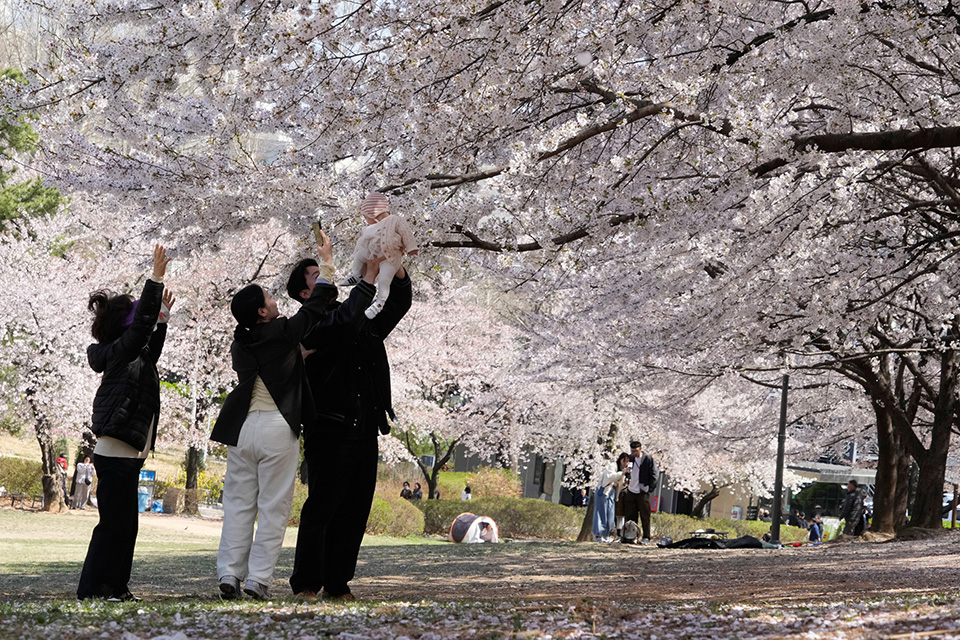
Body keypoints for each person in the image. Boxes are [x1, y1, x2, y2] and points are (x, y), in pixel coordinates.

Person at [211, 231, 376, 602]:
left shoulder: (242, 343)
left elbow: (275, 365)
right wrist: (328, 263)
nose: (274, 300)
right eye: (269, 298)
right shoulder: (284, 332)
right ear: (263, 312)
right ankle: (257, 580)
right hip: (275, 428)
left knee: (238, 505)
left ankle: (228, 573)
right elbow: (316, 306)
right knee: (272, 507)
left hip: (241, 430)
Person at [287, 240, 412, 602]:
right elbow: (340, 326)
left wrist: (395, 264)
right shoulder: (307, 325)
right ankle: (307, 582)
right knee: (323, 507)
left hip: (364, 425)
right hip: (329, 426)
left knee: (356, 510)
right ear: (304, 292)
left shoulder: (355, 312)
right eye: (317, 275)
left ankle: (337, 582)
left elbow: (394, 306)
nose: (327, 276)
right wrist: (368, 282)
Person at [77, 244, 174, 601]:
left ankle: (115, 586)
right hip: (116, 450)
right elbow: (139, 333)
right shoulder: (119, 350)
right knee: (113, 527)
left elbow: (151, 350)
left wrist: (160, 320)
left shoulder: (132, 354)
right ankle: (93, 589)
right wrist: (155, 280)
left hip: (126, 453)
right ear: (125, 325)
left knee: (125, 527)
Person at [338, 191, 418, 319]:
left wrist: (411, 248)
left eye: (366, 217)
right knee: (359, 255)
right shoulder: (372, 227)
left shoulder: (394, 221)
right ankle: (355, 274)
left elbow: (406, 233)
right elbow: (363, 241)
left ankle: (380, 303)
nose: (366, 221)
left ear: (373, 214)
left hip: (391, 258)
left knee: (383, 280)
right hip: (372, 256)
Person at [622, 440, 658, 544]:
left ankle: (646, 537)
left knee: (645, 515)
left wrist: (650, 488)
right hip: (631, 490)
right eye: (632, 451)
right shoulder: (630, 459)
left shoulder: (647, 459)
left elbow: (655, 474)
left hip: (643, 491)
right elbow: (628, 471)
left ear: (640, 449)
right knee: (630, 515)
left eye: (636, 451)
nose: (634, 453)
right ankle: (629, 536)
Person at [593, 453, 627, 542]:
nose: (626, 464)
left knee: (610, 514)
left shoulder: (622, 470)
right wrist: (622, 472)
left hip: (612, 492)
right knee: (601, 513)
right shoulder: (612, 466)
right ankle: (599, 535)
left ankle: (606, 535)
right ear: (621, 460)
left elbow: (619, 485)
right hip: (604, 490)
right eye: (625, 461)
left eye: (628, 462)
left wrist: (624, 484)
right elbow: (610, 477)